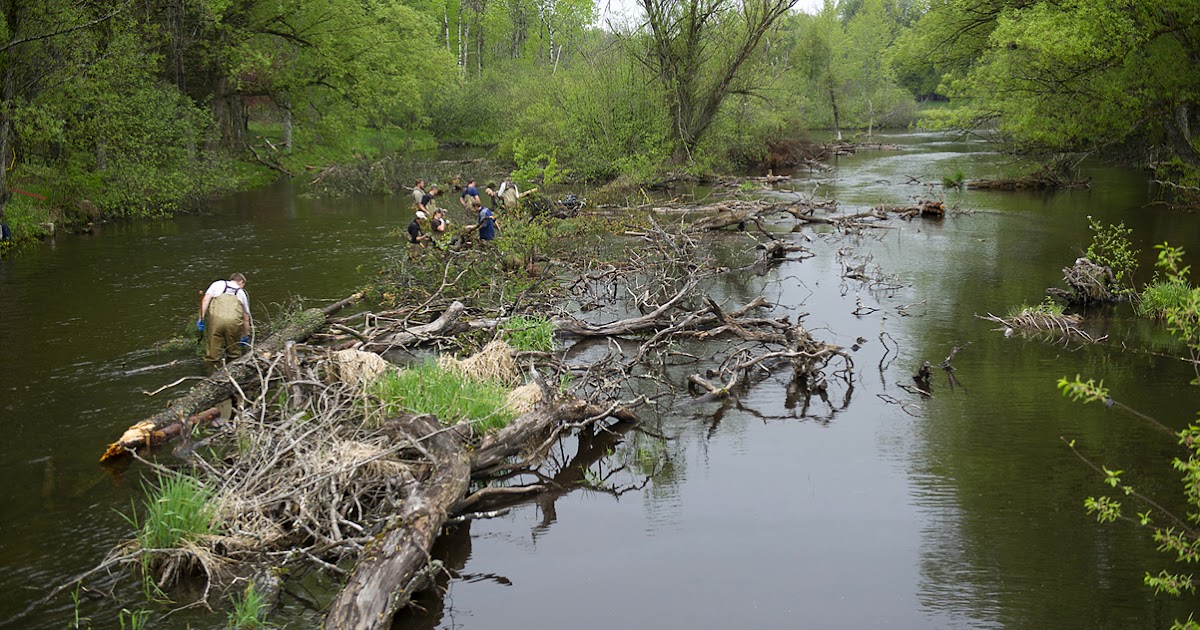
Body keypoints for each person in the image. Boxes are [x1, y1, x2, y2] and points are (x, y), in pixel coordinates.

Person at [198, 273, 251, 370]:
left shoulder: (217, 284)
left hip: (215, 321)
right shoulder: (241, 293)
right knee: (234, 352)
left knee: (212, 353)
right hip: (233, 323)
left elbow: (205, 300)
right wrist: (245, 335)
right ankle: (233, 372)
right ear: (241, 282)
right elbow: (246, 318)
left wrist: (200, 319)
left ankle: (211, 374)